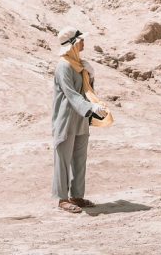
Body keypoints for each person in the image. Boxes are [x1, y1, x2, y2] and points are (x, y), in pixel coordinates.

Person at [51, 27, 106, 214]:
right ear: (73, 44)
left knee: (79, 159)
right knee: (63, 159)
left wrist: (91, 76)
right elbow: (71, 94)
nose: (83, 43)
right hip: (66, 119)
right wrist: (90, 108)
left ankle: (77, 195)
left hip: (80, 119)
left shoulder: (79, 64)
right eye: (81, 41)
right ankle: (62, 199)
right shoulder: (64, 66)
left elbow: (86, 90)